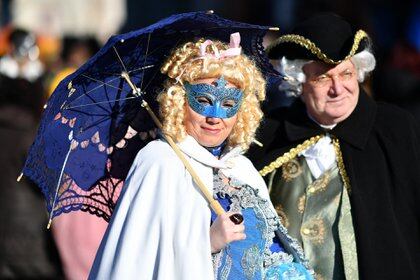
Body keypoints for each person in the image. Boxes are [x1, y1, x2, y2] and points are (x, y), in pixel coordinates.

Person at [89, 33, 313, 279]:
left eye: (228, 104)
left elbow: (271, 253)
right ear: (180, 101)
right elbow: (140, 260)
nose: (215, 117)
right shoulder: (160, 162)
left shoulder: (241, 168)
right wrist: (207, 242)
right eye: (204, 101)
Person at [249, 13, 420, 279]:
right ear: (300, 82)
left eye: (346, 73)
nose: (338, 88)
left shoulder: (395, 130)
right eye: (323, 77)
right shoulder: (269, 136)